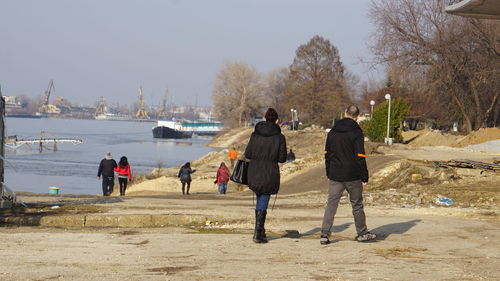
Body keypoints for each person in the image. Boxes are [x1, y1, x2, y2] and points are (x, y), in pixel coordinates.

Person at [321, 105, 376, 245]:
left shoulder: (332, 132)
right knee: (357, 205)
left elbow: (327, 154)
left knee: (331, 205)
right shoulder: (357, 132)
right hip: (353, 174)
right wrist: (365, 176)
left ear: (345, 113)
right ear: (357, 116)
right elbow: (360, 156)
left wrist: (328, 171)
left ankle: (324, 234)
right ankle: (362, 233)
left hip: (335, 174)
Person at [244, 108, 287, 243]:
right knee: (264, 198)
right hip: (270, 171)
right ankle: (258, 231)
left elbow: (248, 154)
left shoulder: (254, 135)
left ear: (264, 119)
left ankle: (259, 230)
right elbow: (282, 158)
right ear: (276, 120)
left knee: (259, 196)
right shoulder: (280, 137)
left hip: (255, 170)